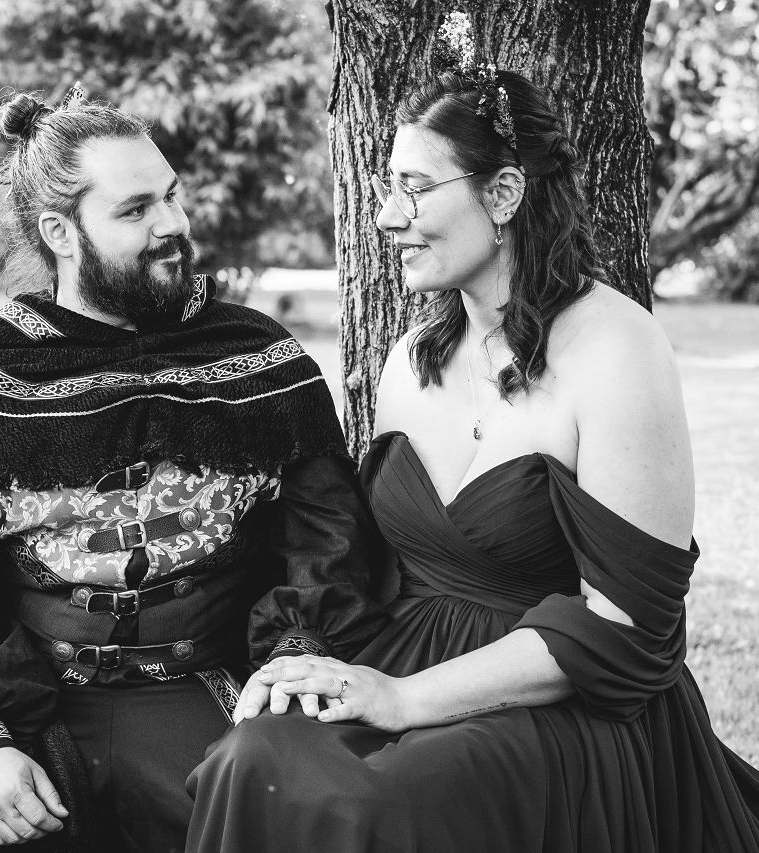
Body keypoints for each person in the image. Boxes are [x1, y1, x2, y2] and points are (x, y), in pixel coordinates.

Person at [185, 54, 759, 853]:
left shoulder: (618, 349)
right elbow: (366, 561)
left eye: (415, 188)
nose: (387, 216)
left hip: (559, 697)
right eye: (387, 186)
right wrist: (304, 655)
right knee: (253, 756)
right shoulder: (409, 358)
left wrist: (404, 698)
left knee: (385, 804)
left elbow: (629, 628)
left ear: (504, 193)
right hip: (398, 660)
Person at [0, 86, 388, 853]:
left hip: (208, 694)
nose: (172, 224)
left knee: (300, 819)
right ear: (61, 232)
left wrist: (295, 656)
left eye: (172, 196)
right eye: (136, 209)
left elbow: (328, 539)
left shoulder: (259, 361)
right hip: (24, 709)